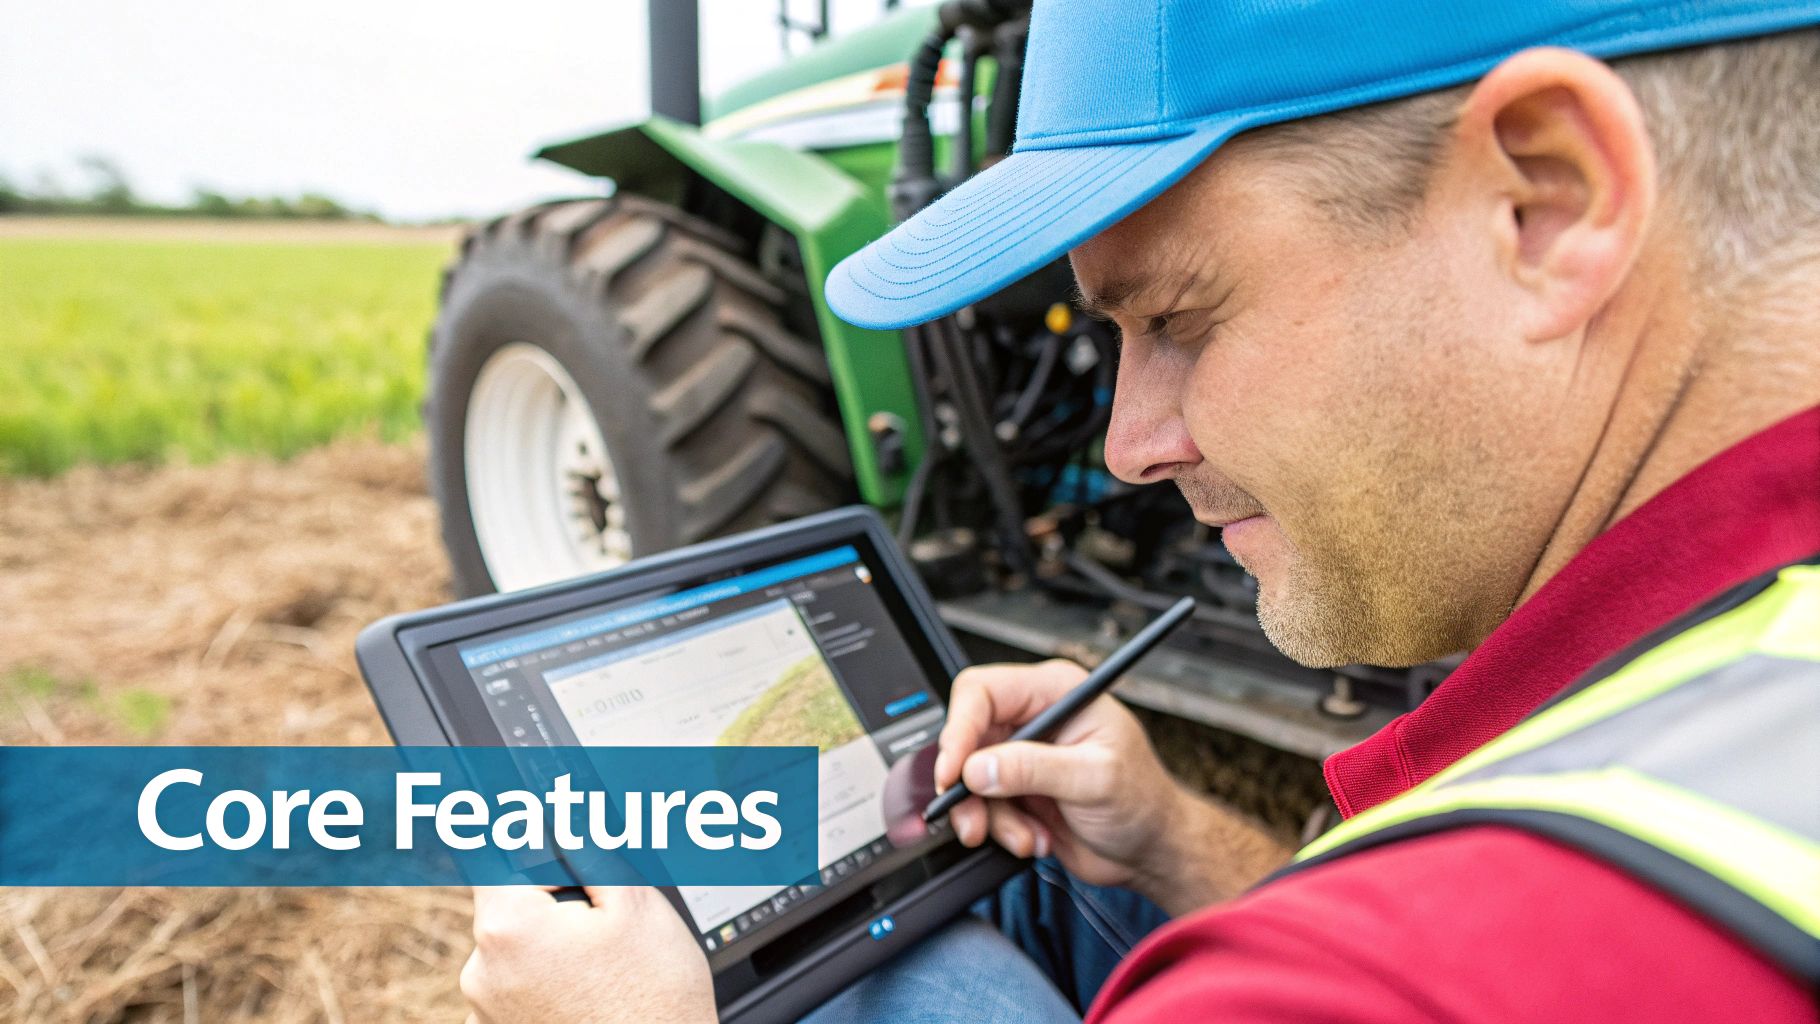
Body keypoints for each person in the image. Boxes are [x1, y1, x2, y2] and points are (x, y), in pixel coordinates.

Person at [456, 0, 1820, 1020]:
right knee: (1018, 881)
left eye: (1177, 316)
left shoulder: (1351, 978)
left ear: (1547, 199)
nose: (1127, 446)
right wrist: (1177, 840)